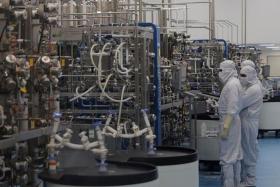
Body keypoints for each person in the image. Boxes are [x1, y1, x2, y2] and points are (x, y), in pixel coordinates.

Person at [218, 60, 243, 187]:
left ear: (228, 70)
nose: (219, 74)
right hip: (233, 121)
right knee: (235, 155)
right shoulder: (233, 82)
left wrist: (225, 128)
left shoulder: (232, 85)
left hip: (230, 122)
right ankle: (236, 183)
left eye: (221, 70)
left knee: (227, 157)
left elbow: (232, 108)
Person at [239, 66, 263, 187]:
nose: (240, 78)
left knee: (249, 150)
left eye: (243, 75)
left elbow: (240, 103)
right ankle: (245, 178)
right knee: (246, 149)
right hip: (247, 121)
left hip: (248, 122)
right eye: (240, 75)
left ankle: (250, 180)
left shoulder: (253, 89)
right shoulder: (250, 86)